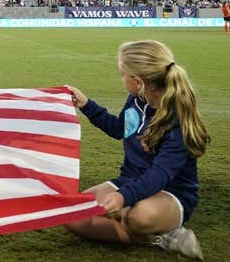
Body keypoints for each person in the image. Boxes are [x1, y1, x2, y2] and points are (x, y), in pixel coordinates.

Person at [66, 40, 210, 260]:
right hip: (130, 180)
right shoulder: (136, 100)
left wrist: (123, 197)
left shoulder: (176, 120)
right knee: (74, 214)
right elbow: (118, 128)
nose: (121, 78)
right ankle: (156, 238)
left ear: (137, 81)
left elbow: (159, 175)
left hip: (171, 192)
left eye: (122, 74)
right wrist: (86, 105)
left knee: (139, 217)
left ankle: (163, 232)